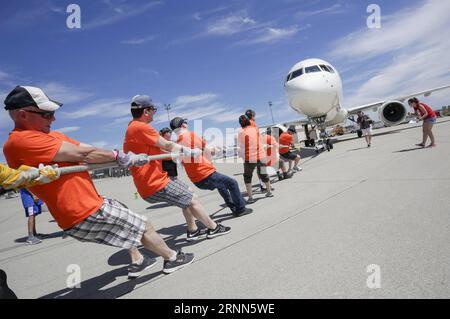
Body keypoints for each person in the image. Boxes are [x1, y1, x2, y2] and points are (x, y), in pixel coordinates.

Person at [3, 85, 195, 278]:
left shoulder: (50, 136)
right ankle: (172, 258)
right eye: (46, 114)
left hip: (87, 206)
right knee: (143, 225)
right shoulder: (21, 141)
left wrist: (126, 157)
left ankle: (139, 260)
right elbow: (83, 154)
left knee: (128, 222)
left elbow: (86, 148)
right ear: (23, 114)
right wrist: (120, 156)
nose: (53, 118)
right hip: (82, 210)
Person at [123, 95, 231, 242]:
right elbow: (167, 145)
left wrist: (176, 155)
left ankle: (192, 230)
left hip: (155, 180)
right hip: (154, 183)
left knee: (188, 195)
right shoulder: (141, 127)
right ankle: (213, 228)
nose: (154, 113)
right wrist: (188, 151)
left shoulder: (133, 128)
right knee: (191, 199)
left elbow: (160, 152)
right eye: (153, 110)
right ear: (146, 111)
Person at [170, 117, 253, 217]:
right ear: (183, 125)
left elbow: (184, 161)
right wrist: (217, 149)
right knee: (232, 183)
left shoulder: (177, 144)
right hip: (205, 174)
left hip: (196, 179)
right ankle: (240, 209)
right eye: (185, 122)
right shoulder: (190, 135)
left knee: (222, 186)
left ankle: (234, 206)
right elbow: (208, 151)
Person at [237, 115, 273, 204]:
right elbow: (259, 140)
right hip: (261, 155)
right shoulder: (255, 129)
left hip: (249, 157)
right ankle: (269, 192)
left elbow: (241, 146)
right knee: (264, 174)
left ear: (240, 123)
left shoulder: (241, 132)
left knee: (247, 176)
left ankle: (250, 197)